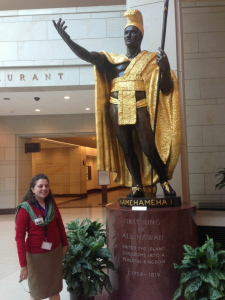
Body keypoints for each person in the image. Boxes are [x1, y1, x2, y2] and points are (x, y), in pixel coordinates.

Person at [53, 9, 181, 198]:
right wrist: (68, 41)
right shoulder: (114, 61)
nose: (129, 35)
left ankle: (164, 182)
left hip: (140, 105)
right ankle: (137, 186)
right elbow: (89, 56)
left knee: (148, 148)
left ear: (141, 35)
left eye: (133, 32)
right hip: (117, 106)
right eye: (126, 33)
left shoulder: (152, 59)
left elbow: (166, 88)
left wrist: (166, 68)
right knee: (127, 149)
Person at [15, 173, 68, 300]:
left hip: (54, 251)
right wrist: (23, 265)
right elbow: (19, 237)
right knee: (37, 292)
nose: (44, 188)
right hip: (36, 255)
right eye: (40, 186)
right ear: (32, 189)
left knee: (54, 289)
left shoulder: (51, 203)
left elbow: (59, 223)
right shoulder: (25, 208)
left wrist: (65, 244)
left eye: (46, 186)